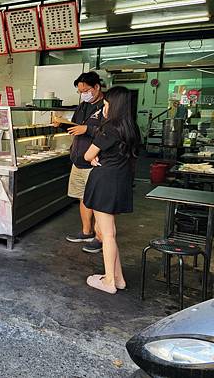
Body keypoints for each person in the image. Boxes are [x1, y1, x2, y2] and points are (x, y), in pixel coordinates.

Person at [83, 86, 140, 294]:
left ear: (114, 106)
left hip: (105, 182)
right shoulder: (131, 128)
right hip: (120, 181)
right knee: (109, 232)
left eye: (106, 104)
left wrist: (95, 156)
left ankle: (108, 282)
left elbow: (87, 156)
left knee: (105, 233)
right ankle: (118, 278)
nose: (104, 107)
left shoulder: (109, 128)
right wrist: (100, 155)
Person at [64, 71, 105, 254]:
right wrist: (62, 124)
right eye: (80, 91)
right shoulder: (82, 106)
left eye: (86, 90)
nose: (84, 94)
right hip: (78, 160)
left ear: (97, 87)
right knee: (83, 197)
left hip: (95, 162)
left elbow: (110, 132)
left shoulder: (106, 107)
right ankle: (86, 231)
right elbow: (75, 128)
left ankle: (100, 237)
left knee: (97, 202)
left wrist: (87, 129)